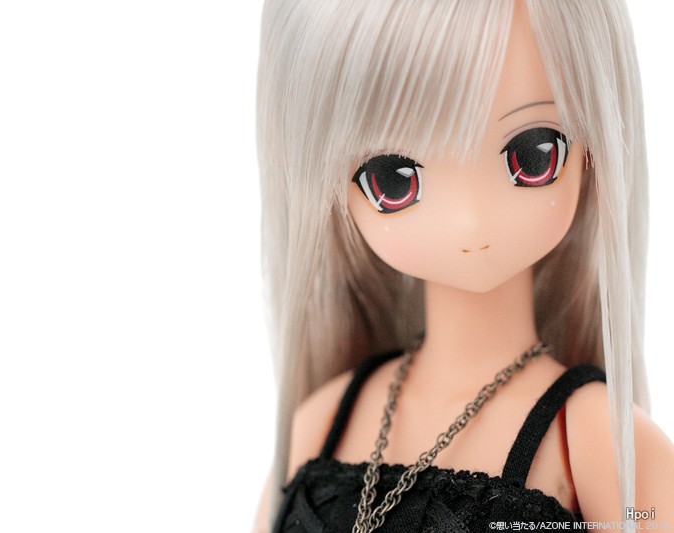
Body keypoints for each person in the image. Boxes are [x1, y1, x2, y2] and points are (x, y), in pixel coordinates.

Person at [254, 0, 674, 531]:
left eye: (531, 155)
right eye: (394, 180)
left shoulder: (594, 440)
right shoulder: (323, 422)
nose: (470, 221)